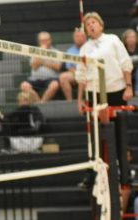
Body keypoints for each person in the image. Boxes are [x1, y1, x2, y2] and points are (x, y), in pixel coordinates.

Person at [76, 12, 133, 189]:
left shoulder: (113, 40)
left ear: (101, 25)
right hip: (94, 94)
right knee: (95, 135)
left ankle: (124, 173)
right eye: (88, 24)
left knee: (118, 133)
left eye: (94, 22)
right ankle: (92, 174)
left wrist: (129, 86)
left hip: (116, 91)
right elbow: (81, 76)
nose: (91, 26)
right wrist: (79, 100)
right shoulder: (85, 48)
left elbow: (125, 63)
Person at [20, 32, 61, 103]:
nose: (44, 42)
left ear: (50, 40)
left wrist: (43, 62)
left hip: (51, 79)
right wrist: (41, 52)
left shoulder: (56, 52)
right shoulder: (35, 52)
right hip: (35, 79)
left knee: (55, 85)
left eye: (46, 40)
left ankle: (43, 102)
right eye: (42, 41)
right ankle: (38, 102)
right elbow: (34, 66)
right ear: (39, 42)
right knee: (24, 85)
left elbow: (57, 67)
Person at [59, 28, 87, 101]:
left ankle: (87, 101)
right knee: (63, 77)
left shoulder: (91, 47)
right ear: (74, 38)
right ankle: (70, 101)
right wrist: (78, 74)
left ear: (85, 37)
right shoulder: (70, 51)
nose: (79, 38)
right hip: (75, 73)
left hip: (89, 73)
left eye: (81, 36)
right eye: (77, 36)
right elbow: (69, 67)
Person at [121, 29, 138, 94]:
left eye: (133, 37)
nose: (131, 39)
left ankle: (137, 91)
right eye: (129, 37)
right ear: (125, 39)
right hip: (126, 71)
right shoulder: (122, 48)